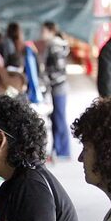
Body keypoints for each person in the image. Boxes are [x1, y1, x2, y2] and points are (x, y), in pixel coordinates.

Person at [40, 21, 71, 158]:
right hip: (57, 86)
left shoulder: (55, 46)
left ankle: (63, 151)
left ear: (51, 31)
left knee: (59, 117)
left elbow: (58, 69)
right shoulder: (54, 45)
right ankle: (58, 149)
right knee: (56, 117)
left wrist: (48, 79)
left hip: (59, 86)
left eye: (44, 31)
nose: (42, 34)